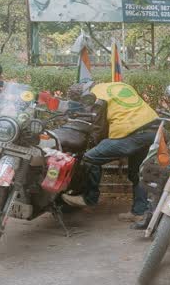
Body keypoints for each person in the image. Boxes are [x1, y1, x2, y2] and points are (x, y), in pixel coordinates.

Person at [62, 81, 160, 223]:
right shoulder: (118, 85)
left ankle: (89, 199)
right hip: (154, 129)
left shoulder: (95, 96)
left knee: (90, 157)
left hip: (131, 132)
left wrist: (96, 145)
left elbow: (99, 128)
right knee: (138, 172)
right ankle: (139, 211)